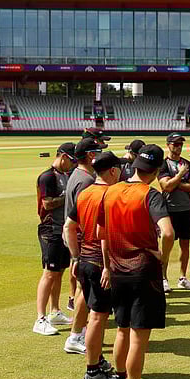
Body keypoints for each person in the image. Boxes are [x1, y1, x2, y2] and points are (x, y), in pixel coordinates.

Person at [101, 144, 175, 379]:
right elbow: (167, 233)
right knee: (138, 338)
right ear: (156, 172)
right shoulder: (151, 194)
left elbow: (103, 233)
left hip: (118, 269)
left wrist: (107, 266)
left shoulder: (112, 191)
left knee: (121, 330)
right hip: (143, 271)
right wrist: (163, 258)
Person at [64, 151, 122, 379]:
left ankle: (96, 360)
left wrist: (75, 257)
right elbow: (105, 235)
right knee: (98, 316)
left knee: (94, 313)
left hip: (85, 260)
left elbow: (69, 227)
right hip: (101, 262)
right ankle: (93, 370)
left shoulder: (85, 192)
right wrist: (109, 266)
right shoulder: (110, 195)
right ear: (112, 171)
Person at [60, 137, 103, 353]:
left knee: (82, 289)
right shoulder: (86, 180)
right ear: (91, 156)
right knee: (85, 291)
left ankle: (79, 332)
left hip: (77, 239)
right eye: (98, 151)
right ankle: (76, 335)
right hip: (84, 242)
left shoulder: (76, 175)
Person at [33, 143, 77, 335]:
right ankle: (40, 318)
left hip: (63, 229)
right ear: (64, 157)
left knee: (59, 271)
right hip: (50, 228)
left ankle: (55, 310)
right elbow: (47, 204)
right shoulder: (48, 177)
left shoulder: (67, 175)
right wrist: (67, 196)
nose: (73, 164)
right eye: (72, 160)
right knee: (49, 272)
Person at [158, 133, 190, 290]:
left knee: (185, 245)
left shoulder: (188, 164)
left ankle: (183, 278)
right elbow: (165, 186)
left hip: (185, 209)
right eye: (175, 144)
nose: (178, 147)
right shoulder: (163, 165)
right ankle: (163, 277)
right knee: (166, 246)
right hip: (169, 210)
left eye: (180, 144)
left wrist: (174, 182)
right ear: (168, 145)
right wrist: (181, 176)